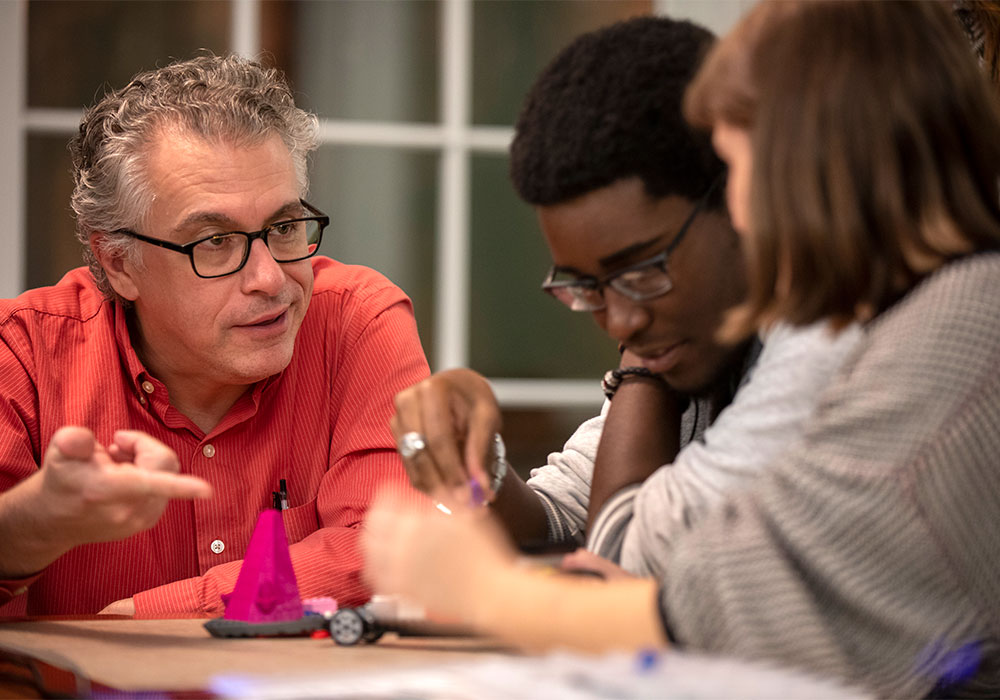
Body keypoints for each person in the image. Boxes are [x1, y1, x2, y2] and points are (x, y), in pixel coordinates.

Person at [364, 2, 1000, 697]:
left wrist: (491, 593)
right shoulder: (909, 310)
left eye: (740, 163)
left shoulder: (942, 322)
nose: (751, 211)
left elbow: (742, 596)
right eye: (591, 287)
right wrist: (478, 467)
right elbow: (584, 525)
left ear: (815, 161)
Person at [391, 16, 860, 577]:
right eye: (588, 286)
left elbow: (620, 560)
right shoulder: (689, 340)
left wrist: (639, 367)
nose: (618, 321)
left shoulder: (825, 334)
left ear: (739, 201)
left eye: (640, 272)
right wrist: (475, 459)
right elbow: (560, 517)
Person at [0, 54, 429, 616]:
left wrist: (152, 616)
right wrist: (31, 528)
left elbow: (393, 552)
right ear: (121, 264)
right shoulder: (23, 354)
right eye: (214, 243)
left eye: (283, 227)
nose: (271, 278)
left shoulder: (357, 321)